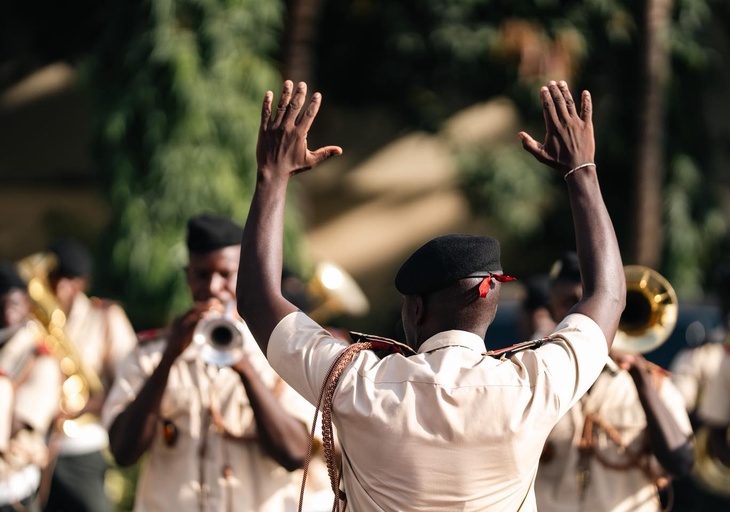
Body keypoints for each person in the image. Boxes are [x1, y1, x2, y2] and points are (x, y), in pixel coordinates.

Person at [236, 78, 626, 510]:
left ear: (417, 308)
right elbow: (607, 295)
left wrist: (271, 176)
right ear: (490, 301)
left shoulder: (359, 384)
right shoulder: (535, 383)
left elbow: (257, 299)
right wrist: (582, 171)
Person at [101, 213, 316, 512]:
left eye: (225, 275)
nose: (213, 287)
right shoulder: (149, 354)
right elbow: (123, 452)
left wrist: (244, 366)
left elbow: (295, 455)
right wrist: (168, 358)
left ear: (244, 276)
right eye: (202, 275)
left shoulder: (277, 351)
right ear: (188, 276)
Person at [534, 251, 695, 512]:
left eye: (593, 301)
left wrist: (640, 377)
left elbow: (680, 462)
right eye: (570, 302)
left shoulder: (653, 383)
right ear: (552, 307)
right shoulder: (534, 376)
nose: (585, 313)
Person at [41, 239, 138, 512]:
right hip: (41, 447)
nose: (60, 287)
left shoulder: (105, 316)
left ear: (82, 282)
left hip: (84, 443)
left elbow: (130, 381)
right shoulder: (37, 319)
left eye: (69, 279)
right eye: (55, 278)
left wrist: (84, 406)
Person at [0, 261, 61, 511]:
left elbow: (17, 425)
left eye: (13, 304)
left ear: (27, 304)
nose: (6, 314)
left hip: (13, 490)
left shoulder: (41, 358)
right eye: (0, 305)